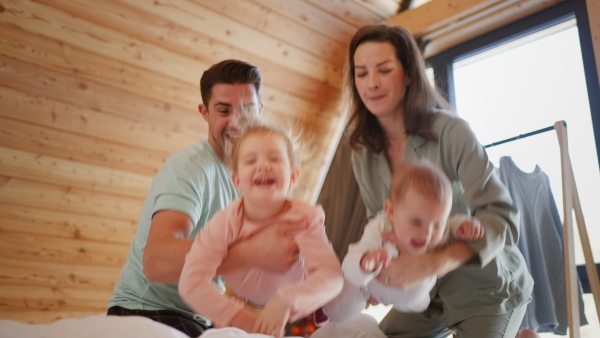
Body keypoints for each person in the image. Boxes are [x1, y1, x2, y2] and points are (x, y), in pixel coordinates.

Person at [328, 23, 534, 338]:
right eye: (361, 73)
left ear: (409, 74)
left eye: (384, 70)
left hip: (487, 287)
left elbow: (503, 217)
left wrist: (436, 262)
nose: (372, 84)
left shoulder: (451, 132)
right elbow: (383, 221)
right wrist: (371, 273)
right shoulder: (362, 152)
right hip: (423, 297)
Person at [107, 60, 305, 337]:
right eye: (224, 110)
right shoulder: (189, 168)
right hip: (147, 312)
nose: (236, 122)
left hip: (199, 316)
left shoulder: (250, 179)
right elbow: (157, 260)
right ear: (205, 112)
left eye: (247, 110)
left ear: (260, 111)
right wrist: (252, 251)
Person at [179, 124, 344, 338]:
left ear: (293, 176)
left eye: (274, 158)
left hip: (294, 311)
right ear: (237, 180)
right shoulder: (225, 222)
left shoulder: (303, 219)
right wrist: (239, 317)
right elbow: (190, 281)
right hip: (238, 306)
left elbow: (332, 276)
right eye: (250, 160)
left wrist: (287, 300)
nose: (264, 165)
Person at [324, 160, 484, 324]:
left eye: (437, 224)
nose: (427, 234)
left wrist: (464, 225)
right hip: (368, 287)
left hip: (413, 301)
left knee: (420, 302)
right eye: (416, 222)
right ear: (391, 212)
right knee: (340, 311)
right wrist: (366, 261)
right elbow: (352, 258)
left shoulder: (438, 232)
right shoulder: (382, 228)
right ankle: (324, 302)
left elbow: (451, 227)